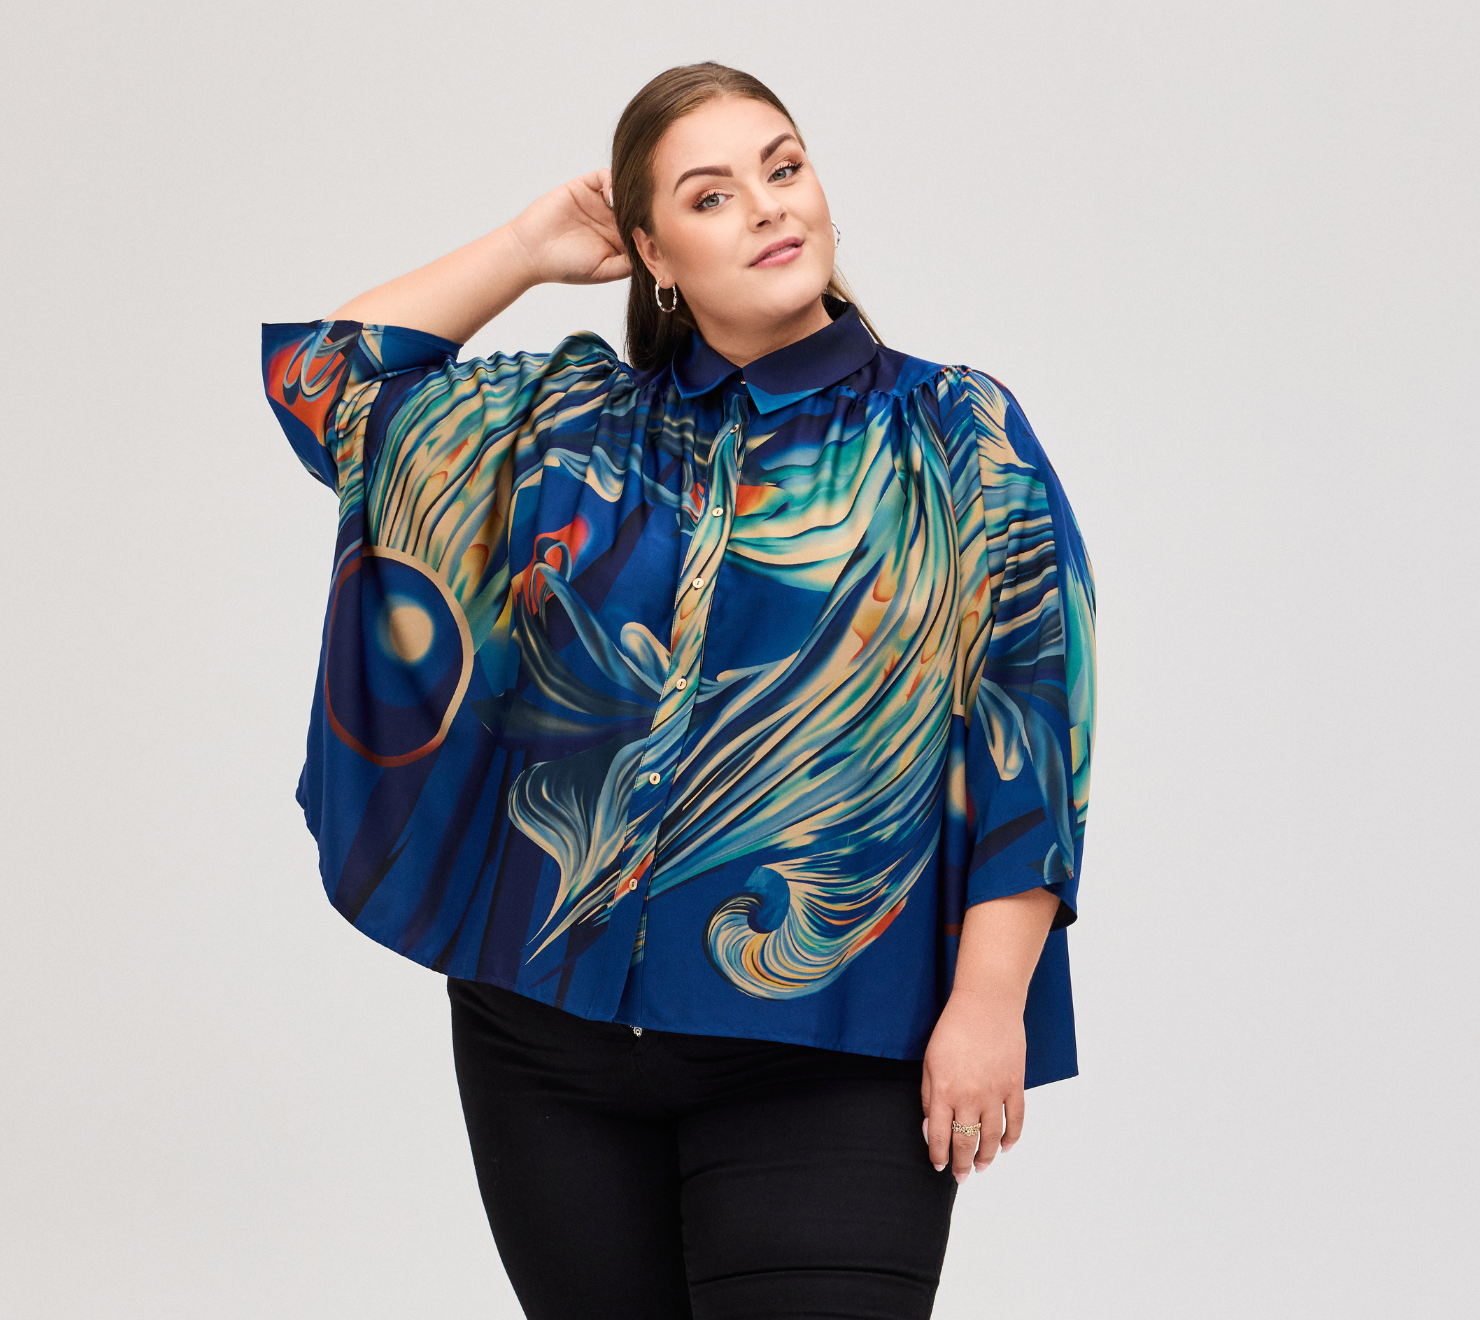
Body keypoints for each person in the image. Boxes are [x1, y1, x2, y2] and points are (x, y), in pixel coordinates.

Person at [261, 61, 1096, 1320]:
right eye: (710, 196)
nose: (767, 206)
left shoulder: (954, 432)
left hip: (827, 1044)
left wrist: (988, 1003)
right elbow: (328, 381)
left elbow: (1032, 717)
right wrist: (526, 248)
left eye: (783, 167)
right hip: (548, 1052)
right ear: (651, 251)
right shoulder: (571, 424)